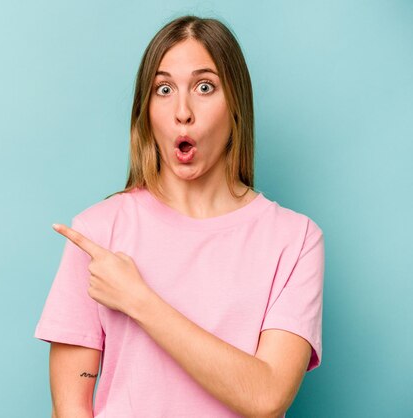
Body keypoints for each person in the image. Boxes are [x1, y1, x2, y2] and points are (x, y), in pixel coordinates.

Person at [34, 14, 324, 418]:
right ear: (146, 109)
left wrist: (138, 300)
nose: (182, 111)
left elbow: (267, 397)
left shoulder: (295, 239)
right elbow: (70, 408)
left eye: (205, 87)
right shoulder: (97, 233)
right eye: (164, 89)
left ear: (235, 104)